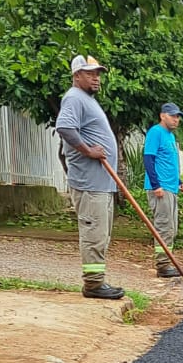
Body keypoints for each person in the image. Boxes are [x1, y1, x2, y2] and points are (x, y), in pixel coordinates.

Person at [55, 53, 124, 300]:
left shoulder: (86, 99)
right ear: (76, 76)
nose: (96, 79)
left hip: (101, 182)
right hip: (89, 182)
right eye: (89, 74)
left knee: (101, 234)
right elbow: (64, 127)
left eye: (97, 74)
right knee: (94, 233)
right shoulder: (74, 98)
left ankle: (97, 281)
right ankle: (93, 285)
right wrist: (88, 150)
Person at [143, 102, 183, 279]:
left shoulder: (170, 137)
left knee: (172, 228)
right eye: (173, 116)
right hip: (160, 188)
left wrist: (180, 182)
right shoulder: (156, 132)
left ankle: (167, 261)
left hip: (171, 186)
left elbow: (170, 163)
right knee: (164, 227)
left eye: (178, 117)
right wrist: (156, 185)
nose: (176, 120)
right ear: (162, 116)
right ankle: (162, 265)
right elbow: (148, 159)